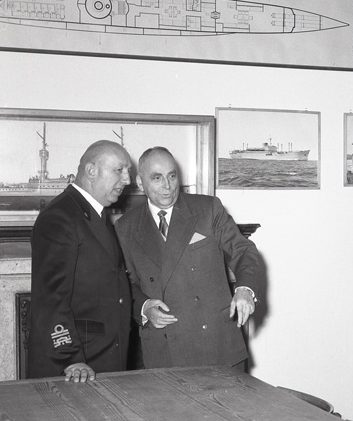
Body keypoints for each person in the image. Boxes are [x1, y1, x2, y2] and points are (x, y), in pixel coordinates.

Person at [115, 146, 262, 370]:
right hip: (164, 350)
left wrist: (244, 289)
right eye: (157, 178)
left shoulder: (207, 209)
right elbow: (125, 283)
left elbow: (243, 250)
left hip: (217, 347)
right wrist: (144, 307)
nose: (167, 186)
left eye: (172, 176)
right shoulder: (126, 226)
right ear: (140, 182)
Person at [28, 140, 134, 382]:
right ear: (91, 170)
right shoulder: (60, 217)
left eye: (127, 171)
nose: (127, 180)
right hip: (78, 364)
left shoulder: (93, 213)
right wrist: (69, 358)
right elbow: (50, 298)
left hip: (103, 355)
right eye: (119, 170)